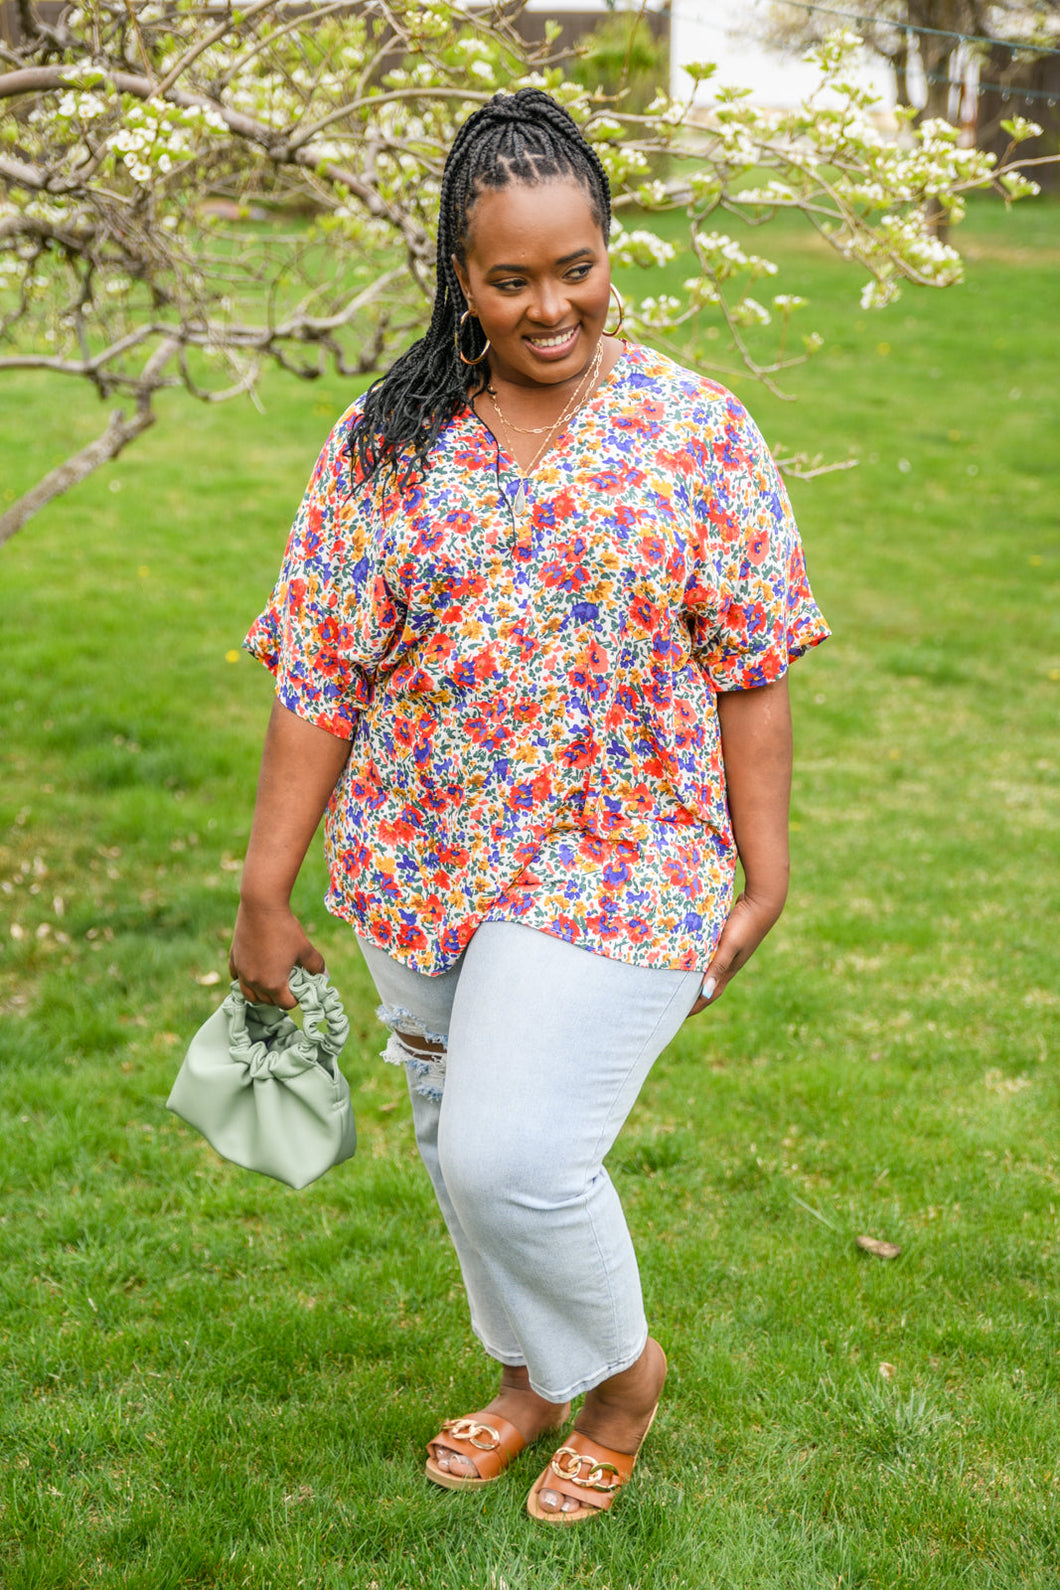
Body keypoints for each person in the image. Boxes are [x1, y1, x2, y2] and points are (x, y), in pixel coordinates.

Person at [229, 88, 828, 1524]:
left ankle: (622, 1380)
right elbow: (321, 671)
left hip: (623, 850)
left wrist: (766, 869)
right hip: (424, 849)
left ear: (610, 249)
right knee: (453, 1140)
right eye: (513, 278)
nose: (552, 305)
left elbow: (752, 662)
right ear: (460, 275)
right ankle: (528, 1376)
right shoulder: (386, 438)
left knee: (515, 1151)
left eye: (579, 267)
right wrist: (265, 887)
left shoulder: (695, 429)